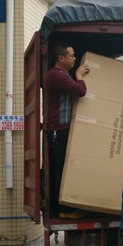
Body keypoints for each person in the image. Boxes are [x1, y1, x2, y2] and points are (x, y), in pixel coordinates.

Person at [44, 42, 89, 219]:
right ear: (61, 58)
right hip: (59, 130)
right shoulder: (56, 75)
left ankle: (64, 207)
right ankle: (62, 208)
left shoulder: (62, 75)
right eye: (71, 56)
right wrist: (79, 75)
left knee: (63, 168)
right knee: (62, 170)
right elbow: (80, 90)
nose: (74, 58)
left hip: (61, 129)